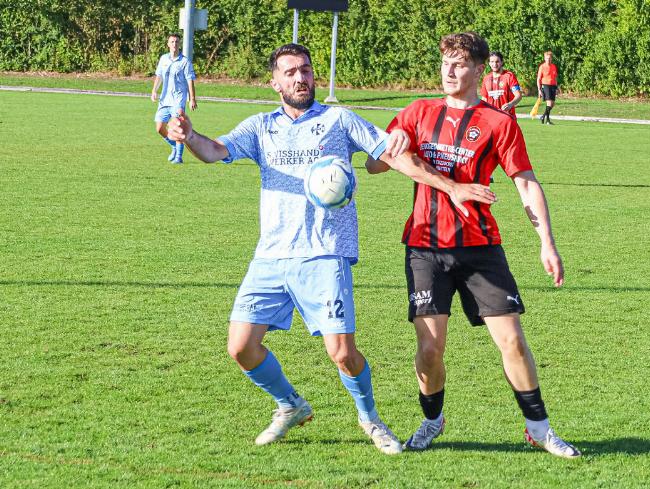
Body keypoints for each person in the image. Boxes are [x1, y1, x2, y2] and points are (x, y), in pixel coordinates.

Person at [166, 43, 495, 454]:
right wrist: (189, 134)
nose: (300, 78)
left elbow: (394, 156)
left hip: (325, 253)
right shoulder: (260, 127)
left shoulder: (339, 120)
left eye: (305, 70)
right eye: (290, 72)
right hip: (270, 255)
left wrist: (451, 186)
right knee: (241, 347)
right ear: (275, 83)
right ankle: (289, 405)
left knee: (342, 353)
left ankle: (370, 419)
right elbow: (214, 151)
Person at [365, 32, 581, 458]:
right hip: (424, 245)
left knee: (513, 341)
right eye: (445, 60)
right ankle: (432, 421)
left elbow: (525, 183)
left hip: (480, 248)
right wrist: (394, 145)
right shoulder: (417, 112)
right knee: (429, 348)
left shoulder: (499, 123)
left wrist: (547, 243)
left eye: (459, 63)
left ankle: (539, 428)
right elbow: (375, 164)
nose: (449, 70)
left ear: (480, 69)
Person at [151, 33, 197, 163]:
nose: (174, 44)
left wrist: (192, 98)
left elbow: (190, 80)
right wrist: (154, 90)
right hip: (165, 100)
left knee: (177, 127)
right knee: (159, 128)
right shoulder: (164, 59)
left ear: (179, 44)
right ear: (168, 44)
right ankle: (173, 146)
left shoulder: (185, 62)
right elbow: (159, 76)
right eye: (172, 42)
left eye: (176, 42)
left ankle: (178, 157)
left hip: (178, 99)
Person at [480, 51, 522, 117]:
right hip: (491, 118)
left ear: (502, 62)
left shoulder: (509, 76)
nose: (494, 64)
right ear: (489, 63)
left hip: (508, 117)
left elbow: (518, 96)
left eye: (497, 61)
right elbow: (484, 99)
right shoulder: (486, 78)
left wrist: (510, 104)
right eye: (492, 62)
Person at [536, 50, 558, 125]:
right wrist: (539, 89)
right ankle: (547, 120)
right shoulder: (542, 67)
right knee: (549, 103)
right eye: (547, 58)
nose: (548, 59)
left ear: (551, 59)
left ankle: (543, 116)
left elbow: (555, 78)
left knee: (552, 104)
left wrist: (556, 87)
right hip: (545, 85)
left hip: (553, 86)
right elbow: (538, 79)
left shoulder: (554, 66)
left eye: (549, 58)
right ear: (544, 58)